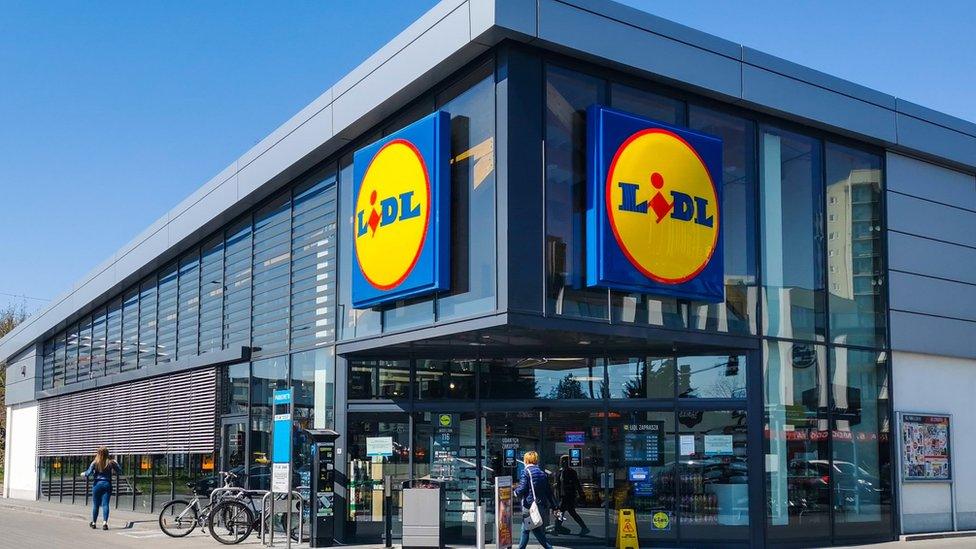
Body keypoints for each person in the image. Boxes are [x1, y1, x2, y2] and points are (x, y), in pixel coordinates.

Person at [514, 451, 557, 549]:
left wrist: (514, 492)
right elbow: (548, 492)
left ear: (526, 460)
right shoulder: (542, 473)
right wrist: (555, 506)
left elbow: (521, 489)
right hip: (539, 506)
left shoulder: (526, 472)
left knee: (528, 529)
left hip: (529, 506)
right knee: (530, 529)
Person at [82, 447, 121, 530]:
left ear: (98, 453)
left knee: (96, 505)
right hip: (107, 484)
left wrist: (83, 474)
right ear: (107, 453)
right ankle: (105, 523)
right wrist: (116, 464)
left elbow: (88, 473)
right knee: (105, 504)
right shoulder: (111, 462)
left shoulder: (95, 462)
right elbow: (119, 471)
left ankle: (94, 523)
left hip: (97, 485)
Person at [554, 454, 590, 535]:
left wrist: (581, 494)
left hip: (569, 495)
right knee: (570, 512)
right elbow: (558, 483)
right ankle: (583, 527)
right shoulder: (560, 472)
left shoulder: (571, 472)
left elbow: (577, 484)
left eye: (566, 461)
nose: (564, 463)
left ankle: (557, 527)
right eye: (562, 461)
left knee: (561, 511)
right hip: (562, 495)